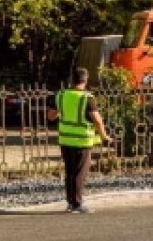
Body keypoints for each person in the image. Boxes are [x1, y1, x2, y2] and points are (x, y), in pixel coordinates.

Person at [47, 67, 113, 213]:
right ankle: (77, 204)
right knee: (80, 173)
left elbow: (50, 116)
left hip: (65, 140)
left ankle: (70, 202)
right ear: (85, 80)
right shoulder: (87, 98)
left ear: (72, 79)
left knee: (70, 172)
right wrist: (104, 136)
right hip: (82, 141)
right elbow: (97, 120)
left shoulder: (61, 95)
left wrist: (63, 114)